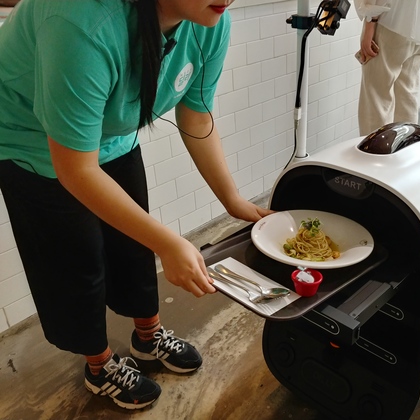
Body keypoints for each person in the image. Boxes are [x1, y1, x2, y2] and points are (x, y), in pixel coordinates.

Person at [0, 0, 272, 410]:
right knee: (77, 258)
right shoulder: (78, 21)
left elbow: (196, 117)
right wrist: (170, 243)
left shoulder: (209, 21)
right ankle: (99, 365)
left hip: (111, 136)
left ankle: (148, 336)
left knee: (135, 244)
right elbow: (75, 170)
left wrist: (232, 199)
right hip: (33, 141)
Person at [355, 0, 420, 136]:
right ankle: (406, 149)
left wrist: (370, 22)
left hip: (391, 21)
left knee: (376, 96)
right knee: (407, 92)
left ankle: (375, 153)